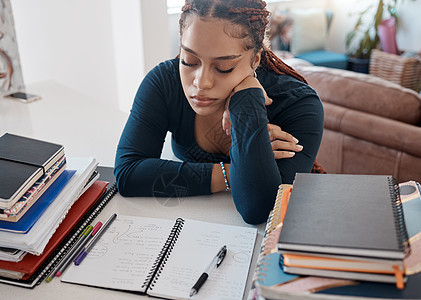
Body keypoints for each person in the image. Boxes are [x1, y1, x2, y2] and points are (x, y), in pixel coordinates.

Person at [114, 0, 324, 225]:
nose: (201, 82)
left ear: (255, 59)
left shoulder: (299, 105)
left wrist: (247, 98)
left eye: (224, 68)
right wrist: (239, 169)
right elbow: (129, 174)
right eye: (189, 61)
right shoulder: (165, 82)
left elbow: (258, 208)